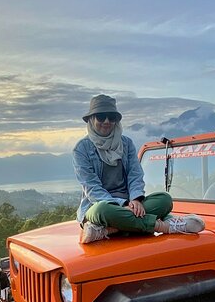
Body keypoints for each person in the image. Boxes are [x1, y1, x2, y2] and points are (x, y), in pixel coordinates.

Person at [73, 94, 205, 244]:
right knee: (102, 210)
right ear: (91, 119)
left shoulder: (126, 143)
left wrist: (135, 199)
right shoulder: (81, 149)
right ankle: (164, 225)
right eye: (101, 117)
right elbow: (92, 188)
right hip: (100, 206)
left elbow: (135, 175)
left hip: (131, 203)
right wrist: (122, 205)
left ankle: (108, 230)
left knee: (165, 200)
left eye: (111, 117)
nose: (107, 121)